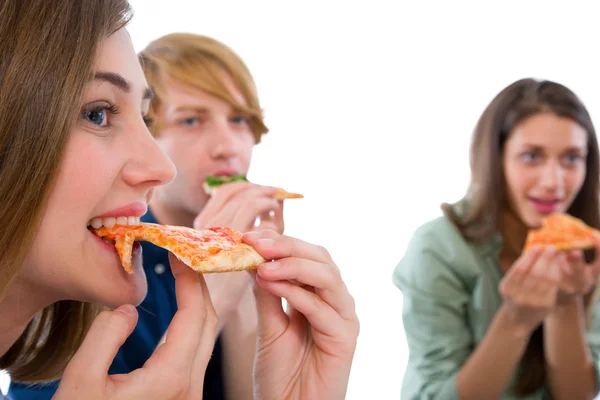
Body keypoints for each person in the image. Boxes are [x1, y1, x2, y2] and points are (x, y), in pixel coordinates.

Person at [0, 1, 360, 400]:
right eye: (99, 114)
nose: (227, 147)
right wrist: (214, 294)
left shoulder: (94, 260)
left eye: (240, 120)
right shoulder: (88, 274)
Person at [393, 78, 600, 399]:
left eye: (572, 158)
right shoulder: (437, 248)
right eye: (532, 156)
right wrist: (515, 320)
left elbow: (577, 395)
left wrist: (565, 303)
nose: (553, 182)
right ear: (495, 158)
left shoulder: (589, 248)